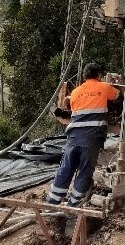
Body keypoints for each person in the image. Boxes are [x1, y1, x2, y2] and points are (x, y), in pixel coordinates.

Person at [46, 62, 119, 207]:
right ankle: (74, 205)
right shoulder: (104, 87)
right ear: (98, 76)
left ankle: (52, 203)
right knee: (85, 170)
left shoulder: (75, 92)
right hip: (91, 137)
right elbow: (117, 96)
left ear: (84, 77)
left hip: (73, 137)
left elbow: (74, 110)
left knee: (66, 167)